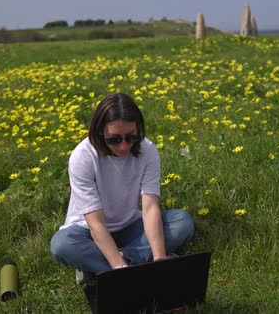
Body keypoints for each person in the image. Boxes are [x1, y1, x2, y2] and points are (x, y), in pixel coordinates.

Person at [50, 93, 194, 283]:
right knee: (62, 244)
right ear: (100, 131)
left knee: (181, 222)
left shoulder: (147, 150)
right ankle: (132, 264)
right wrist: (120, 268)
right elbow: (95, 224)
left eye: (131, 137)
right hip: (87, 232)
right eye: (114, 139)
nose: (125, 146)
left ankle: (100, 268)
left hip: (129, 225)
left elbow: (150, 207)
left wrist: (160, 259)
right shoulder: (83, 157)